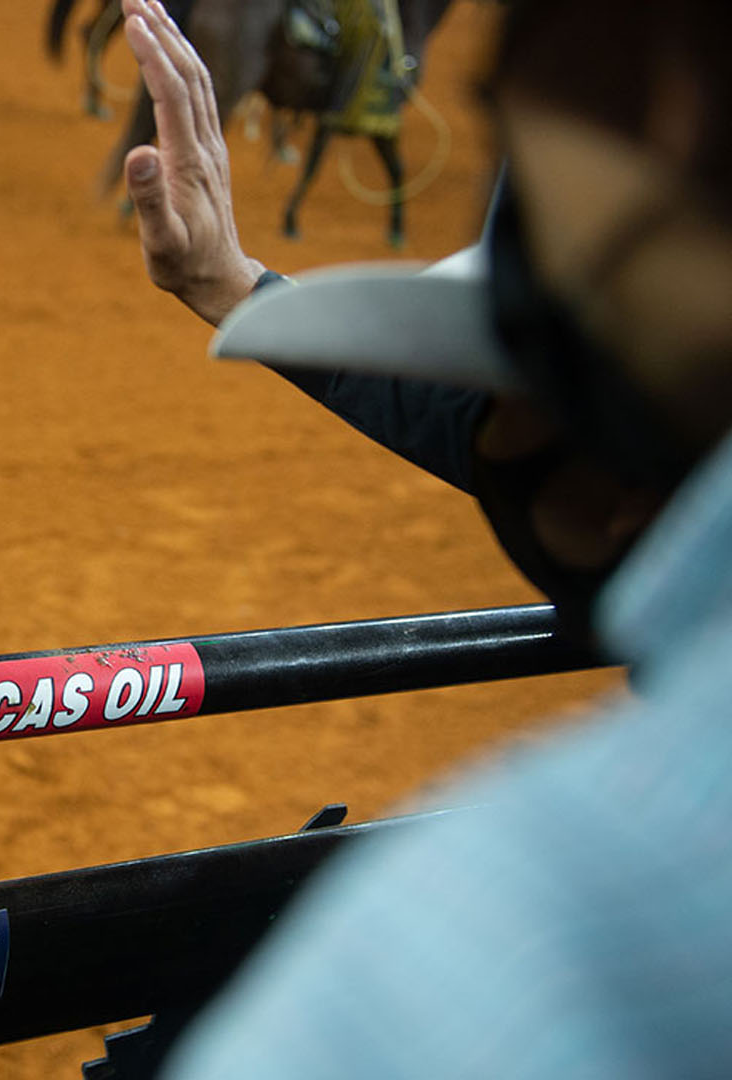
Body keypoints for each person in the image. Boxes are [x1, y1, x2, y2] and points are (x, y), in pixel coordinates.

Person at [110, 0, 732, 1074]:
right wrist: (233, 282)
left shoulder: (529, 924)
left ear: (622, 483)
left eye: (530, 406)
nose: (501, 445)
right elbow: (479, 423)